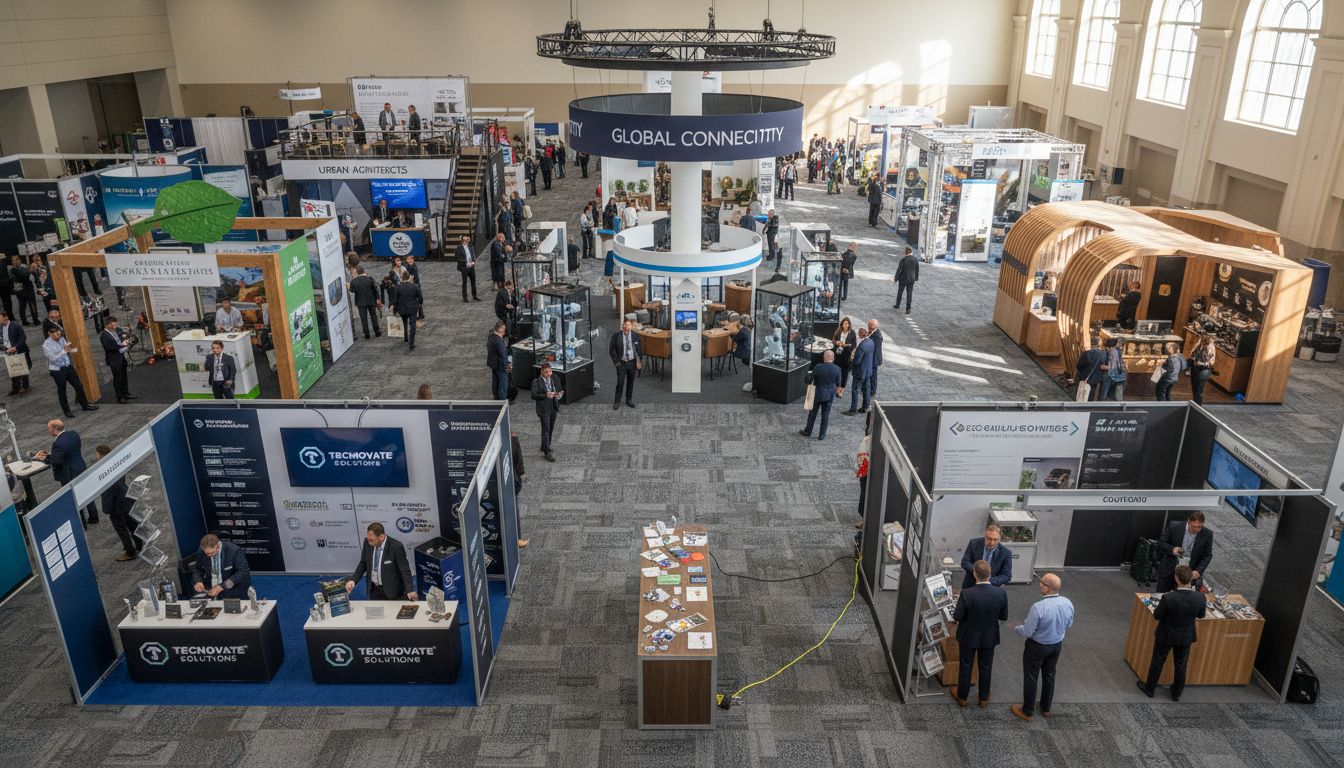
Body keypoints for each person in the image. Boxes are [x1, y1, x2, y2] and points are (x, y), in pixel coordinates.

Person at [1010, 572, 1074, 721]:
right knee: (1049, 675)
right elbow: (1069, 624)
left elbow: (1028, 631)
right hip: (1056, 645)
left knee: (1031, 677)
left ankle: (1027, 711)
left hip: (1037, 647)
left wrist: (1016, 627)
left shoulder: (1038, 607)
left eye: (1042, 582)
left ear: (1048, 587)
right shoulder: (1067, 602)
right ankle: (1045, 708)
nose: (1039, 584)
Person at [1138, 564, 1206, 702]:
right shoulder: (1200, 597)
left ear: (1177, 578)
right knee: (1181, 664)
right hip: (1186, 635)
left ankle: (1150, 688)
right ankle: (1176, 693)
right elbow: (1201, 615)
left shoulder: (1169, 598)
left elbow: (1157, 615)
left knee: (1158, 660)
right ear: (1190, 579)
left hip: (1166, 634)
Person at [951, 560, 1009, 708]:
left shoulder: (967, 593)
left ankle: (962, 697)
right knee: (986, 666)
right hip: (989, 636)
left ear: (974, 574)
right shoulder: (1001, 593)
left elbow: (957, 616)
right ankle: (983, 698)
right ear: (990, 575)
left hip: (968, 636)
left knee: (966, 665)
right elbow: (1003, 616)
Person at [36, 419, 98, 524]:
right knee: (87, 493)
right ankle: (94, 517)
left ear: (55, 429)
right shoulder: (73, 434)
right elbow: (67, 453)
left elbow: (57, 461)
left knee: (74, 498)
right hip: (80, 466)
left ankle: (81, 522)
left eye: (49, 428)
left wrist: (44, 459)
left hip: (69, 474)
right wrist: (50, 456)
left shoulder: (58, 443)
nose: (48, 430)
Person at [346, 522, 417, 601]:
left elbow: (404, 570)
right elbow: (363, 563)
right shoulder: (367, 542)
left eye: (372, 540)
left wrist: (410, 590)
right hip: (374, 590)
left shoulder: (396, 547)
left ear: (381, 537)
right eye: (368, 539)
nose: (369, 543)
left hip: (392, 592)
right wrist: (353, 580)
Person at [95, 444, 140, 561]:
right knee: (131, 524)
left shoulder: (105, 470)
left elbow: (110, 492)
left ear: (100, 453)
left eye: (97, 453)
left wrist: (108, 509)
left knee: (121, 529)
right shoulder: (116, 463)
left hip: (116, 505)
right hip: (125, 499)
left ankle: (130, 552)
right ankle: (139, 544)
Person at [42, 326, 95, 416]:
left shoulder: (62, 339)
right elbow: (53, 358)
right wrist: (64, 351)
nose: (59, 336)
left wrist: (72, 350)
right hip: (57, 370)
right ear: (50, 334)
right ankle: (67, 411)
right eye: (57, 334)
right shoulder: (46, 345)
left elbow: (67, 350)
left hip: (67, 366)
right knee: (62, 390)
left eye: (60, 334)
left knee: (78, 385)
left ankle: (85, 405)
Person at [1156, 511, 1213, 592]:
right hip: (1169, 570)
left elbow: (1207, 555)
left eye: (1199, 527)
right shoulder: (1174, 526)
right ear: (1188, 522)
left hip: (1188, 574)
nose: (1197, 529)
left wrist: (1198, 571)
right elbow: (1162, 542)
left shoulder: (1207, 534)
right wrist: (1172, 549)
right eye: (1194, 526)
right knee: (1162, 596)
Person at [190, 533, 251, 599]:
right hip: (211, 588)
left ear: (218, 545)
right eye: (207, 553)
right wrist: (198, 581)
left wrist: (222, 586)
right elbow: (198, 570)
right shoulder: (201, 552)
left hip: (233, 589)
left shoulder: (234, 551)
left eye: (212, 552)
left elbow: (243, 571)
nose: (210, 555)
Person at [800, 350, 842, 441]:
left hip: (817, 394)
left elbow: (809, 379)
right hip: (829, 395)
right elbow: (838, 384)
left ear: (824, 357)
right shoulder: (837, 369)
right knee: (825, 415)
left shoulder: (818, 367)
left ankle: (808, 431)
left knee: (812, 414)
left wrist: (806, 377)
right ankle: (821, 435)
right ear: (833, 358)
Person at [959, 523, 1013, 588]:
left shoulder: (1006, 553)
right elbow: (965, 562)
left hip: (992, 586)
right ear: (985, 535)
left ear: (999, 538)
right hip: (971, 583)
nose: (992, 543)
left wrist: (987, 581)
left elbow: (1006, 575)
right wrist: (978, 573)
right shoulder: (973, 543)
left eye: (995, 539)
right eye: (989, 539)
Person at [609, 319, 642, 410]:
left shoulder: (635, 336)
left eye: (628, 325)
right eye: (624, 325)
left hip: (632, 363)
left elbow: (639, 350)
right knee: (620, 383)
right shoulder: (616, 336)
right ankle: (617, 402)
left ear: (631, 327)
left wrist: (639, 362)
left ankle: (629, 400)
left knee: (630, 383)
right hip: (621, 363)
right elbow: (611, 350)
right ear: (622, 326)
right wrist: (616, 363)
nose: (626, 326)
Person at [531, 362, 561, 461]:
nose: (549, 374)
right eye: (546, 372)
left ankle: (545, 445)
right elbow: (534, 395)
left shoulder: (554, 378)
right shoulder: (536, 381)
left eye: (550, 371)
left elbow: (558, 388)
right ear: (541, 372)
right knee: (546, 428)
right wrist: (546, 395)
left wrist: (559, 394)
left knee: (550, 427)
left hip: (553, 406)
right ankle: (547, 451)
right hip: (543, 408)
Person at [100, 316, 134, 403]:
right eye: (114, 324)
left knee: (124, 376)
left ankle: (126, 393)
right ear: (108, 325)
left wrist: (125, 341)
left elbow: (119, 339)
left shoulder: (114, 332)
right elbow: (109, 347)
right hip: (114, 360)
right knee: (117, 378)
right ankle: (119, 396)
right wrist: (122, 345)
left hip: (121, 356)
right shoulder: (104, 335)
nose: (115, 326)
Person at [843, 327, 873, 415]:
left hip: (860, 372)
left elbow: (857, 361)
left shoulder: (862, 346)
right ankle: (865, 407)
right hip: (868, 370)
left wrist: (852, 358)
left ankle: (853, 410)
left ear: (860, 334)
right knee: (866, 389)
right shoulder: (871, 342)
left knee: (855, 390)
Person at [0, 311, 30, 395]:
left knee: (22, 368)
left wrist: (15, 347)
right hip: (7, 351)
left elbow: (23, 337)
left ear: (5, 317)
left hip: (18, 350)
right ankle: (16, 388)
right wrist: (5, 348)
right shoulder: (0, 327)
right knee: (12, 369)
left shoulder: (15, 325)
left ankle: (25, 387)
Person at [348, 265, 381, 340]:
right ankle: (377, 332)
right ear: (363, 271)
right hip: (371, 301)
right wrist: (377, 299)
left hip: (360, 303)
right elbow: (375, 290)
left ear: (357, 272)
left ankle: (367, 334)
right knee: (373, 316)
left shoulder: (354, 281)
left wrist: (349, 286)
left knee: (363, 318)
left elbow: (352, 290)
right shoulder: (370, 279)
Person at [393, 270, 422, 350]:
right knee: (412, 325)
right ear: (409, 277)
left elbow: (395, 300)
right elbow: (420, 298)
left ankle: (405, 337)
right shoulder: (415, 286)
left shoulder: (397, 287)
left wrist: (395, 309)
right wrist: (419, 303)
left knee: (404, 323)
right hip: (412, 308)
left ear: (401, 278)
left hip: (402, 309)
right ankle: (411, 344)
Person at [1074, 337, 1108, 402]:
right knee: (1091, 393)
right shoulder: (1103, 354)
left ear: (1091, 343)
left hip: (1085, 377)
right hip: (1096, 378)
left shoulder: (1086, 353)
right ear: (1099, 344)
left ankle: (1080, 406)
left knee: (1082, 394)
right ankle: (1089, 406)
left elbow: (1079, 366)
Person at [487, 320, 512, 401]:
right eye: (503, 330)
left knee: (495, 382)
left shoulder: (491, 336)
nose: (504, 332)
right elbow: (503, 355)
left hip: (493, 364)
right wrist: (507, 365)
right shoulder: (498, 341)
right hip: (500, 365)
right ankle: (502, 400)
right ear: (499, 329)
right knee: (503, 383)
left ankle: (496, 398)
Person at [1097, 337, 1127, 401]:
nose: (1106, 348)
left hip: (1109, 374)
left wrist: (1104, 367)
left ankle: (1100, 405)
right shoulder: (1117, 351)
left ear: (1109, 346)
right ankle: (1111, 403)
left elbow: (1113, 366)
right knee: (1111, 392)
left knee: (1103, 391)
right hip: (1116, 374)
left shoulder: (1112, 352)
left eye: (1107, 347)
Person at [10, 256, 37, 325]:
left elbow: (31, 275)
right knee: (22, 306)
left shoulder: (25, 267)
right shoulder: (13, 269)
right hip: (20, 291)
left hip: (28, 289)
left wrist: (31, 270)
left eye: (16, 260)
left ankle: (35, 320)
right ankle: (24, 321)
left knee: (32, 304)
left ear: (19, 260)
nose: (15, 262)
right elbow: (22, 276)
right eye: (13, 261)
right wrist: (30, 271)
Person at [1189, 334, 1215, 405]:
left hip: (1203, 370)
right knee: (1194, 388)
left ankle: (1198, 406)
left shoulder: (1209, 347)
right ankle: (1195, 404)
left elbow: (1207, 360)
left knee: (1199, 389)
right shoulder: (1200, 345)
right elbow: (1192, 354)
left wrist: (1198, 361)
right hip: (1195, 368)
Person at [832, 316, 856, 389]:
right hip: (838, 355)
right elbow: (833, 341)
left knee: (844, 373)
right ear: (842, 324)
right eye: (844, 324)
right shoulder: (838, 331)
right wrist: (837, 342)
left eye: (847, 324)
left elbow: (854, 345)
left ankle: (842, 388)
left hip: (846, 356)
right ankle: (837, 386)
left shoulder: (852, 333)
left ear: (849, 324)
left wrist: (845, 345)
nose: (845, 325)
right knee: (837, 371)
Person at [894, 246, 919, 313]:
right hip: (911, 279)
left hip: (903, 279)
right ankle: (908, 308)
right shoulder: (915, 259)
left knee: (900, 292)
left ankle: (897, 305)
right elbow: (917, 270)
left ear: (905, 252)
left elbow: (899, 270)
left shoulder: (903, 260)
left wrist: (896, 278)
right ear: (911, 252)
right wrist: (916, 278)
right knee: (909, 293)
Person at [456, 234, 480, 302]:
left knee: (473, 282)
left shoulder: (470, 246)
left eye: (466, 240)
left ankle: (474, 296)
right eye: (464, 240)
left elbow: (473, 254)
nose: (466, 241)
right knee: (465, 282)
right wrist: (466, 263)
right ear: (461, 241)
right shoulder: (459, 248)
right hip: (464, 267)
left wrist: (473, 262)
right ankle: (465, 297)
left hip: (471, 266)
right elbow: (458, 257)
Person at [866, 319, 884, 401]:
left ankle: (872, 391)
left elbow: (874, 350)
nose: (868, 327)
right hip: (873, 359)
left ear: (873, 326)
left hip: (874, 360)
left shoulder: (877, 336)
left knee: (873, 376)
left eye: (869, 326)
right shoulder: (873, 332)